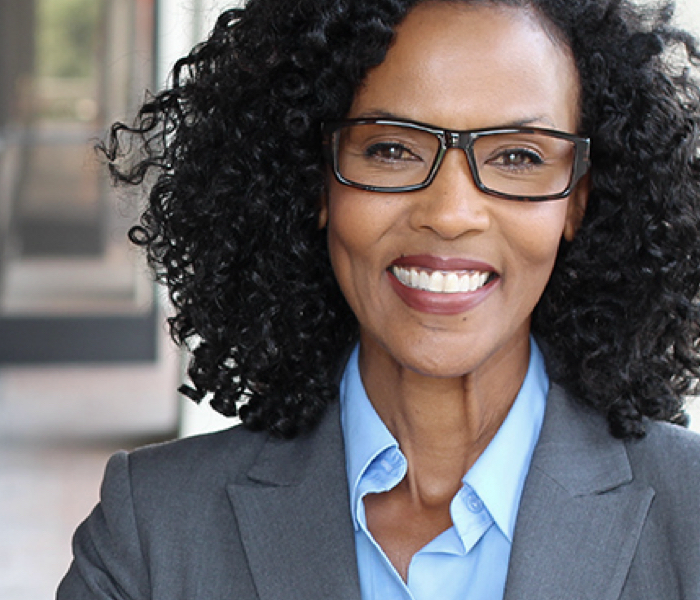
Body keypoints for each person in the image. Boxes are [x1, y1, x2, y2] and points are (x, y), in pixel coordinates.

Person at [58, 0, 700, 598]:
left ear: (578, 200)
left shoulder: (689, 513)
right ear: (316, 184)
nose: (450, 214)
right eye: (391, 148)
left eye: (518, 156)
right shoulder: (151, 532)